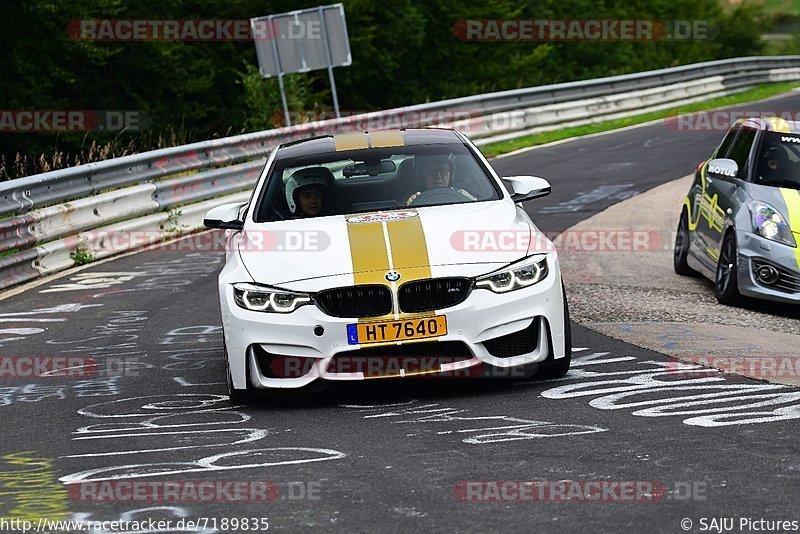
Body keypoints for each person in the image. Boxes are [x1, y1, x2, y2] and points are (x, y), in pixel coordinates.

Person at [405, 154, 476, 205]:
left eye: (443, 171)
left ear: (450, 175)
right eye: (432, 171)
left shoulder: (462, 195)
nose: (438, 176)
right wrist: (411, 204)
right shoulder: (416, 198)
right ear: (423, 175)